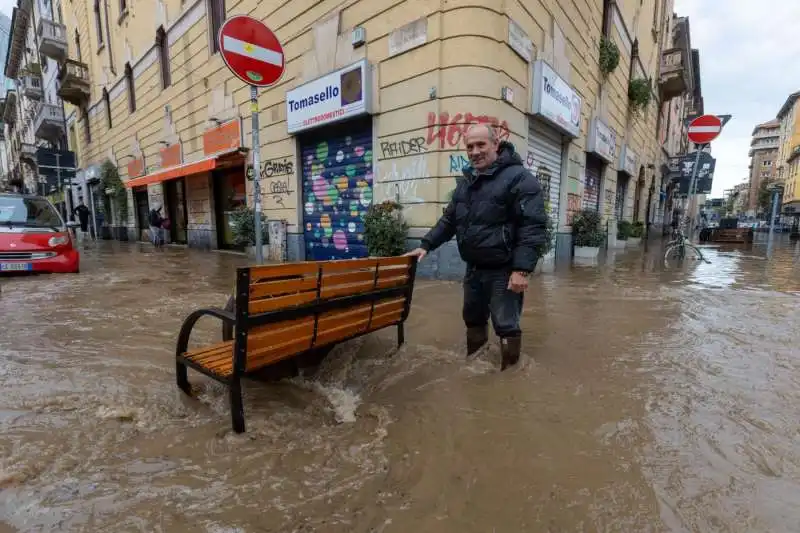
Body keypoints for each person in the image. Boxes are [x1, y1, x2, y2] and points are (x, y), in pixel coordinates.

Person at [405, 124, 548, 370]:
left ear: (496, 144)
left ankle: (509, 378)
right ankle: (476, 369)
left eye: (481, 145)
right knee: (472, 320)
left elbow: (532, 226)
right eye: (470, 146)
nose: (475, 151)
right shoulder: (467, 182)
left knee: (506, 325)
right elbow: (450, 219)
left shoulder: (519, 178)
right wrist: (426, 245)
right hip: (474, 269)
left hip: (503, 270)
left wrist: (521, 269)